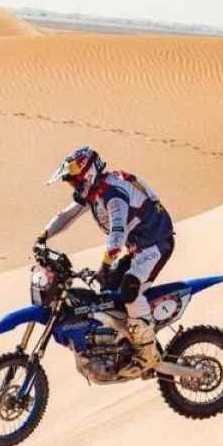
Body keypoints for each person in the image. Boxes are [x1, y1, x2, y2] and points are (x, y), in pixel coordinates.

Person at [39, 146, 175, 378]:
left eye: (74, 180)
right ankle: (123, 343)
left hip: (156, 244)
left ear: (88, 175)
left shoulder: (113, 195)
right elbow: (67, 215)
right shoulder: (95, 191)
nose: (73, 186)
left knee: (130, 289)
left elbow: (117, 235)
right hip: (139, 247)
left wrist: (104, 265)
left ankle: (149, 354)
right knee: (108, 291)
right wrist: (43, 236)